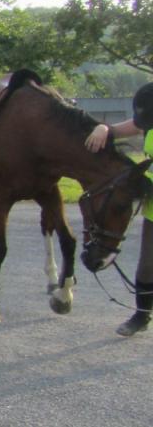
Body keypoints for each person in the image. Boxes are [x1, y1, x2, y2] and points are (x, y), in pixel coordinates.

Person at [84, 82, 153, 336]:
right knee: (147, 263)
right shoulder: (148, 117)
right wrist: (103, 128)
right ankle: (142, 316)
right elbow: (128, 127)